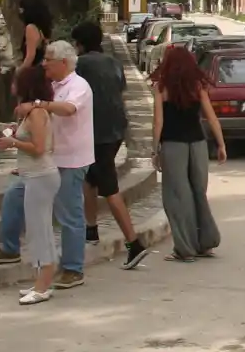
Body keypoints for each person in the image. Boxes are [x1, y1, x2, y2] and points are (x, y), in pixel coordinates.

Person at [0, 41, 94, 289]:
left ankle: (73, 268)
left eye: (49, 59)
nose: (44, 63)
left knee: (69, 215)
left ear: (63, 63)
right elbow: (33, 123)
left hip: (69, 160)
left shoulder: (79, 86)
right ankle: (10, 248)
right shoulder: (49, 85)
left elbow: (68, 109)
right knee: (14, 197)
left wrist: (38, 105)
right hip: (40, 163)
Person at [72, 21, 151, 270]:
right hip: (116, 130)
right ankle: (91, 230)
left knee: (109, 187)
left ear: (81, 44)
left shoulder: (80, 65)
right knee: (90, 179)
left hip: (96, 133)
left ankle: (134, 243)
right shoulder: (114, 63)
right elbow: (120, 92)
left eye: (75, 43)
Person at [151, 44, 225, 263]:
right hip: (198, 144)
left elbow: (158, 122)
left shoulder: (161, 88)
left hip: (174, 145)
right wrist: (221, 144)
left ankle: (185, 248)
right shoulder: (197, 86)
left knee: (177, 197)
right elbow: (211, 117)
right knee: (198, 193)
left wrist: (154, 149)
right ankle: (206, 242)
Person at [0, 64, 59, 305]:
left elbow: (39, 148)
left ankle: (43, 286)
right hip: (34, 175)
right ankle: (40, 282)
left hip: (40, 176)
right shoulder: (31, 112)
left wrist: (12, 143)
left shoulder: (36, 113)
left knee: (39, 230)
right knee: (36, 229)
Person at [17, 0, 53, 72]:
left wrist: (19, 73)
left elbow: (30, 56)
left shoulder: (31, 28)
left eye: (21, 8)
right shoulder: (41, 29)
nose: (19, 11)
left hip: (33, 72)